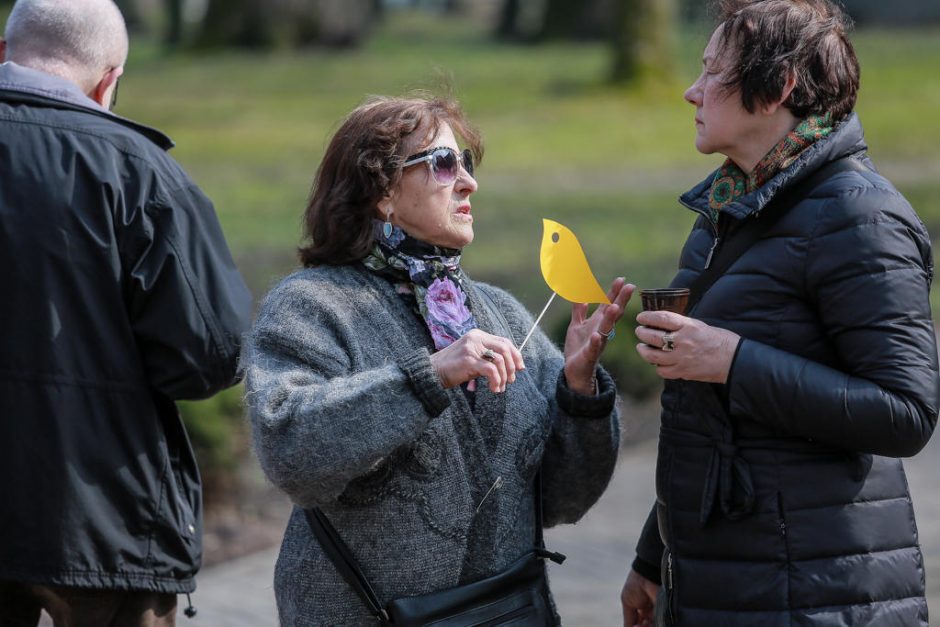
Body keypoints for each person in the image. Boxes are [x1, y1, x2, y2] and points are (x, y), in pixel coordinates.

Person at [242, 94, 632, 624]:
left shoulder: (505, 315)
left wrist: (580, 394)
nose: (469, 183)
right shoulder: (311, 305)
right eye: (445, 165)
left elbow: (566, 500)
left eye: (466, 165)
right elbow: (289, 451)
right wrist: (429, 376)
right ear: (382, 192)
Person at [620, 0, 940, 625]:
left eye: (713, 72)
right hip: (723, 583)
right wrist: (655, 556)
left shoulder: (860, 217)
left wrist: (733, 361)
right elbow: (708, 423)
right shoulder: (730, 207)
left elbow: (906, 413)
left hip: (821, 594)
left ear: (778, 88)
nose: (692, 91)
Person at [0, 0, 253, 625]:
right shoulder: (140, 172)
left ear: (6, 54)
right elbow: (211, 357)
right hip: (102, 515)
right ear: (109, 79)